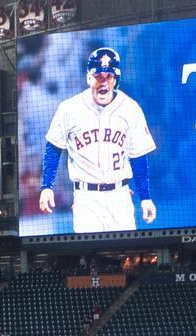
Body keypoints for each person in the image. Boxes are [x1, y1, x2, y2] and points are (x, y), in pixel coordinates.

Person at [35, 47, 159, 234]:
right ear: (88, 78)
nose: (104, 81)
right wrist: (46, 187)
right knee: (89, 252)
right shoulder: (69, 109)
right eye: (98, 76)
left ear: (116, 79)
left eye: (109, 76)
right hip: (86, 199)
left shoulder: (131, 109)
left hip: (120, 197)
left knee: (128, 251)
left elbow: (139, 157)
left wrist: (145, 198)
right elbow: (53, 148)